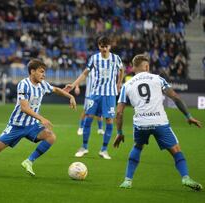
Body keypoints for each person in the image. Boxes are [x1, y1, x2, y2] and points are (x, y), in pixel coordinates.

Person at [0, 59, 77, 177]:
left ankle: (29, 161)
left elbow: (55, 89)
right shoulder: (24, 85)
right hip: (16, 126)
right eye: (41, 71)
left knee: (50, 136)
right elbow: (24, 108)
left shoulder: (43, 85)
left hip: (32, 125)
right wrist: (41, 118)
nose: (44, 74)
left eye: (44, 72)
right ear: (32, 71)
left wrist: (69, 96)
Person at [114, 54, 203, 191]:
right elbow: (175, 97)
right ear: (147, 66)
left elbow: (119, 112)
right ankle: (185, 177)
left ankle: (127, 180)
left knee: (138, 147)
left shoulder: (127, 84)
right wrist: (188, 116)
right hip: (160, 122)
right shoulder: (158, 79)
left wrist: (119, 133)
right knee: (176, 151)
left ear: (133, 68)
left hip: (141, 124)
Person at [65, 36, 124, 159]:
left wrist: (119, 83)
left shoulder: (115, 58)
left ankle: (104, 150)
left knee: (109, 120)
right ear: (99, 46)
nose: (104, 49)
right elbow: (85, 73)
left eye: (106, 46)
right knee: (88, 118)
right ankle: (84, 147)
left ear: (110, 47)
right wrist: (74, 84)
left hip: (109, 94)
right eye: (102, 46)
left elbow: (122, 70)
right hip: (95, 93)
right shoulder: (94, 58)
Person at [74, 70, 104, 136]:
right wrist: (77, 86)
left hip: (99, 94)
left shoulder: (101, 68)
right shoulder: (89, 69)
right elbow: (81, 77)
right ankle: (80, 128)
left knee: (99, 113)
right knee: (85, 112)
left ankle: (100, 129)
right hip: (89, 95)